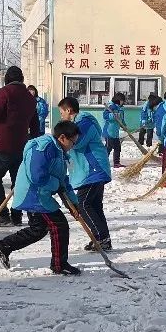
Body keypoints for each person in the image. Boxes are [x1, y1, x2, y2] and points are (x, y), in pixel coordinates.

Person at [0, 121, 82, 276]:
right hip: (34, 194)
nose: (73, 146)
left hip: (42, 193)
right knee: (59, 225)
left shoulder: (60, 151)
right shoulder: (43, 148)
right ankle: (59, 265)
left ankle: (4, 246)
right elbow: (37, 177)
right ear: (62, 138)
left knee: (38, 229)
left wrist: (74, 203)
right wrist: (56, 185)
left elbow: (63, 180)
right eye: (73, 142)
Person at [0, 66, 39, 227]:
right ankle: (16, 215)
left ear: (7, 78)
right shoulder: (30, 97)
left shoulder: (5, 92)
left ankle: (2, 214)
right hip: (22, 146)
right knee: (18, 182)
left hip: (2, 145)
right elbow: (35, 124)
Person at [58, 96, 113, 249]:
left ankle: (101, 237)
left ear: (69, 110)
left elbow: (76, 143)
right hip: (89, 171)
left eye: (62, 113)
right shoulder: (77, 124)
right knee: (94, 205)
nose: (61, 116)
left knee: (83, 204)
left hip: (93, 170)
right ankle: (102, 238)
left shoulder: (84, 123)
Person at [101, 92, 126, 167]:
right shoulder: (110, 107)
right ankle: (103, 162)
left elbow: (121, 119)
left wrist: (124, 125)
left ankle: (116, 162)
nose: (123, 102)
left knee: (117, 147)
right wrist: (113, 115)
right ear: (119, 100)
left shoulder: (120, 109)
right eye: (122, 100)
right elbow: (105, 116)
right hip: (109, 132)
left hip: (115, 132)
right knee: (108, 148)